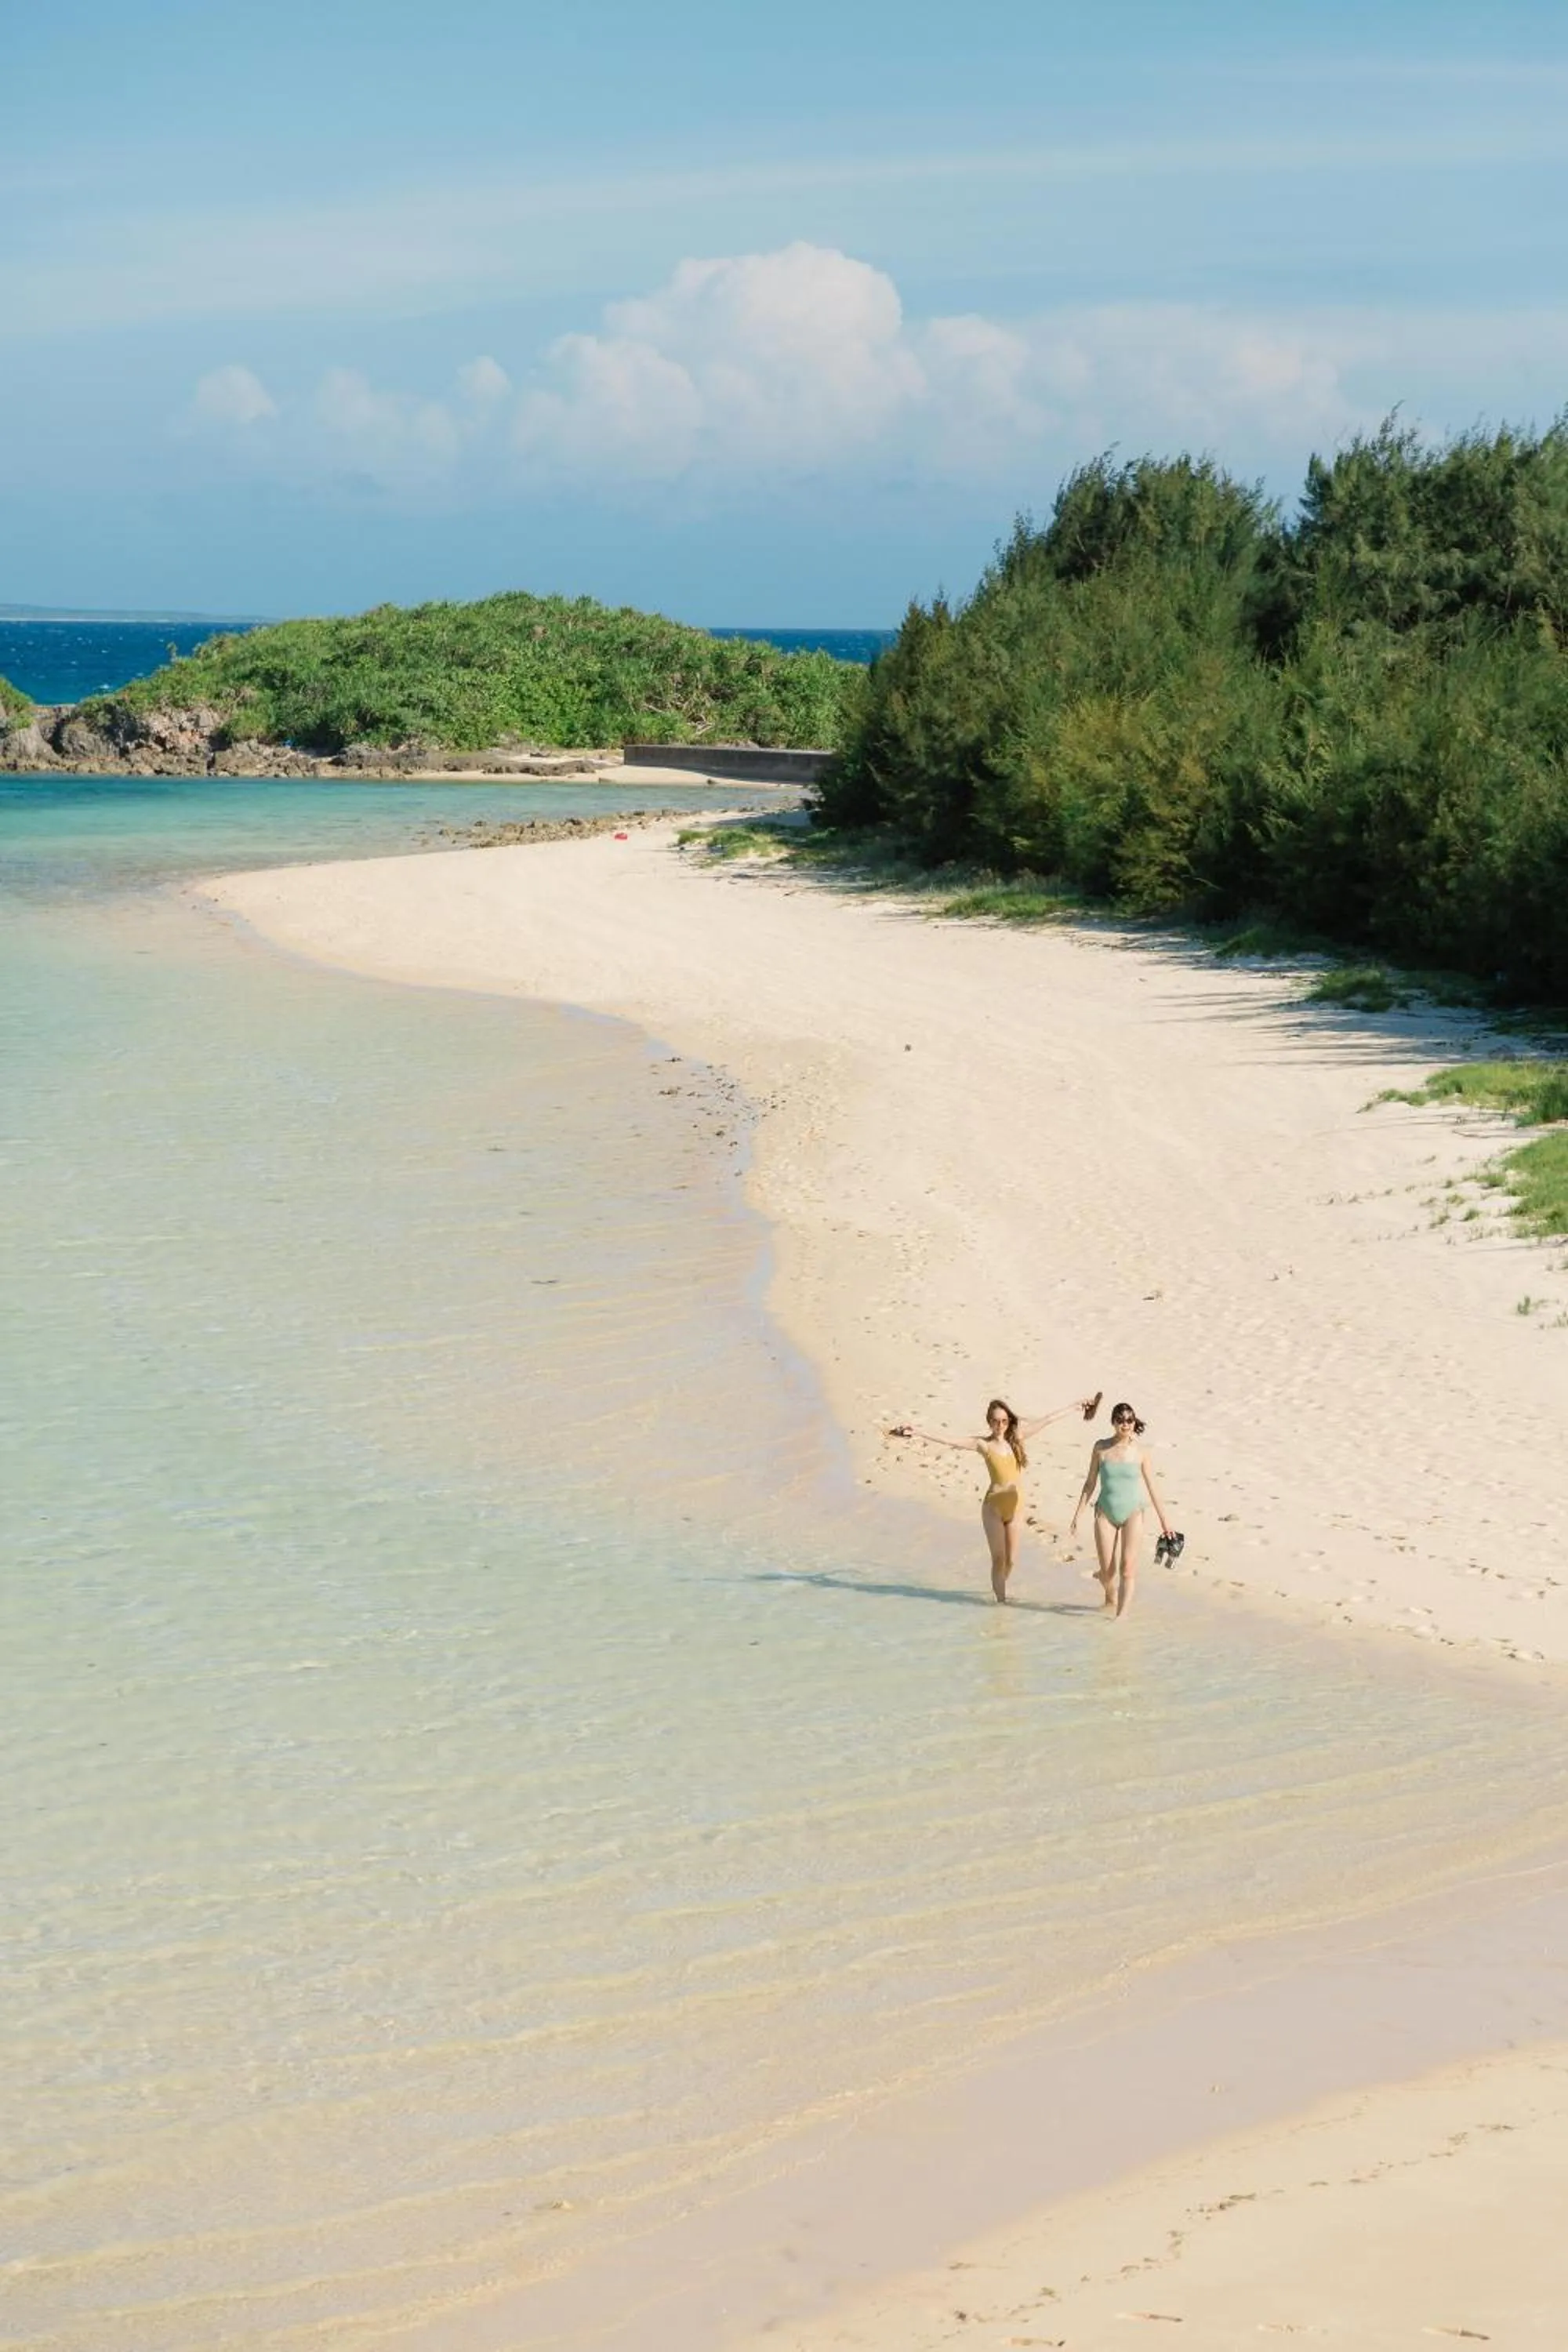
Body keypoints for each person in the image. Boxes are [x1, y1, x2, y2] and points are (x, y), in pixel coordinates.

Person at [888, 1393, 1101, 1602]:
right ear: (989, 1422)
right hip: (993, 1509)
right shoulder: (983, 1445)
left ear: (1008, 1421)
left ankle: (999, 1588)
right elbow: (949, 1440)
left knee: (1011, 1562)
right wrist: (917, 1432)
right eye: (996, 1421)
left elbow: (1047, 1420)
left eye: (1004, 1421)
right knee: (998, 1560)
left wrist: (1075, 1406)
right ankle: (1001, 1605)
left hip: (1016, 1508)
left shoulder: (1017, 1438)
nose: (1000, 1425)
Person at [1069, 1402, 1172, 1619]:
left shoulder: (1141, 1452)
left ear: (1134, 1422)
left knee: (1127, 1570)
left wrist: (1165, 1523)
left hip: (1133, 1512)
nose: (1125, 1424)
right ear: (1113, 1422)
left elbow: (1153, 1487)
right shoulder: (1101, 1448)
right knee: (1108, 1572)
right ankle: (1108, 1592)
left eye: (1129, 1420)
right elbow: (1089, 1484)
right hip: (1105, 1512)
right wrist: (1077, 1515)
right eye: (1120, 1419)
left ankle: (1121, 1616)